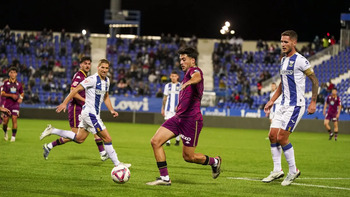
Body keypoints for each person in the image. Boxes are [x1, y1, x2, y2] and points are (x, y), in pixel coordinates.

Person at [146, 47, 221, 186]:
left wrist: (188, 82)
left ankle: (215, 161)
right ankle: (165, 178)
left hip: (191, 120)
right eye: (180, 59)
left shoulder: (194, 71)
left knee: (188, 157)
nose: (181, 62)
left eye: (184, 59)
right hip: (178, 117)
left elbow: (197, 77)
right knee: (155, 142)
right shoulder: (186, 75)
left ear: (192, 60)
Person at [40, 59, 130, 168]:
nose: (104, 70)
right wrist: (64, 103)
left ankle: (53, 130)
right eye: (102, 67)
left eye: (106, 68)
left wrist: (111, 110)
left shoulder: (107, 81)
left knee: (79, 139)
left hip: (93, 114)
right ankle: (118, 165)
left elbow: (106, 96)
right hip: (89, 114)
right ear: (98, 67)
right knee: (107, 138)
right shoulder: (92, 79)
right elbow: (74, 90)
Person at [263, 30, 319, 186]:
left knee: (282, 137)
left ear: (294, 42)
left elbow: (314, 81)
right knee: (272, 135)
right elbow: (282, 83)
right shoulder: (283, 60)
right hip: (282, 104)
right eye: (281, 41)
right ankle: (277, 170)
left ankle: (293, 171)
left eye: (286, 42)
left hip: (296, 105)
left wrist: (313, 101)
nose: (283, 44)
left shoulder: (301, 60)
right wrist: (272, 100)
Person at [42, 57, 108, 161]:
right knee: (78, 137)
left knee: (93, 129)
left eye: (89, 64)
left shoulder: (87, 76)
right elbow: (73, 91)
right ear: (80, 65)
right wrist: (83, 101)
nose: (87, 65)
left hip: (85, 109)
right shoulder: (79, 75)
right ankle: (52, 135)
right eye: (85, 63)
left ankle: (103, 152)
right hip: (76, 108)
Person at [1, 67, 24, 142]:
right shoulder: (6, 83)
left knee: (14, 119)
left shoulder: (19, 84)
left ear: (16, 74)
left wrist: (21, 98)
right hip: (7, 104)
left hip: (15, 104)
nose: (13, 74)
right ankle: (5, 132)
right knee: (5, 122)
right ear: (9, 74)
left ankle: (13, 137)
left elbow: (22, 93)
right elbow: (2, 93)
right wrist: (11, 95)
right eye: (11, 72)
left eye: (14, 72)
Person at [162, 71, 181, 146]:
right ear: (170, 77)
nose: (173, 77)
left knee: (177, 125)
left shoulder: (180, 85)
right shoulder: (167, 86)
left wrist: (180, 106)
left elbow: (182, 98)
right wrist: (162, 108)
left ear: (177, 77)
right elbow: (165, 98)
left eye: (175, 76)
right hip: (168, 109)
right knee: (167, 125)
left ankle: (177, 140)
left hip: (177, 109)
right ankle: (168, 141)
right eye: (172, 76)